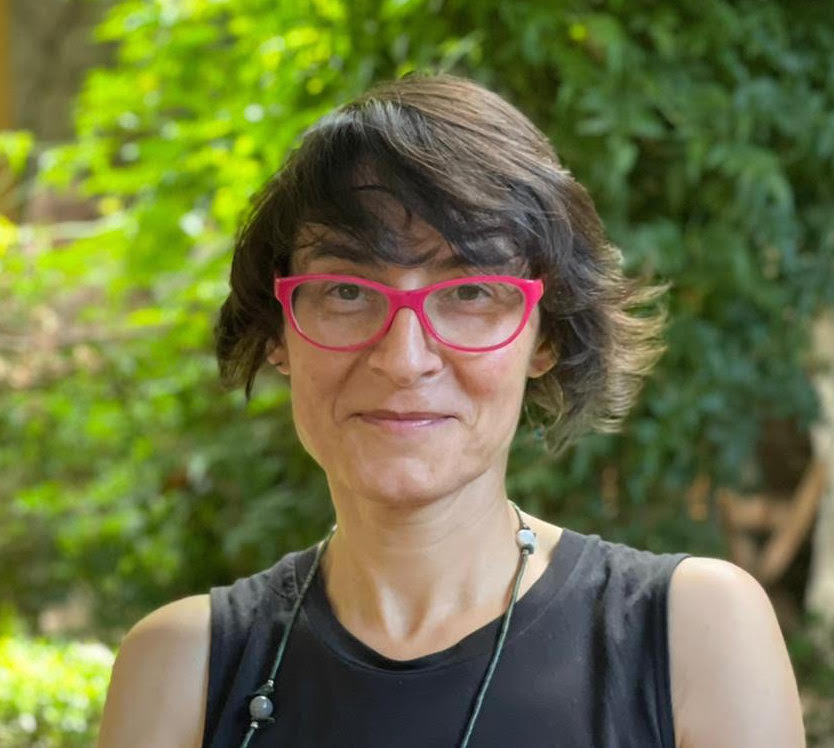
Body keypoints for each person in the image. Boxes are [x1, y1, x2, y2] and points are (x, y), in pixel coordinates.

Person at [96, 72, 805, 748]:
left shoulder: (692, 636)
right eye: (346, 292)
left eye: (469, 293)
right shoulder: (180, 670)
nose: (404, 359)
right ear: (278, 332)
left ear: (545, 336)